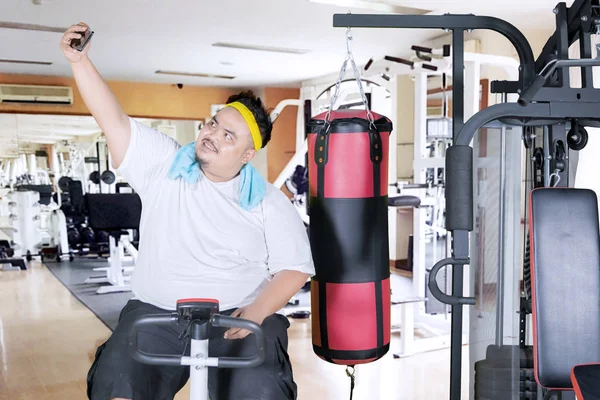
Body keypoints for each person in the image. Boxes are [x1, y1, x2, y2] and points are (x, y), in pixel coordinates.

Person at [60, 22, 314, 400]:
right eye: (213, 124)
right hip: (155, 316)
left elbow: (294, 268)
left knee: (261, 391)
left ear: (247, 156)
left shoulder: (269, 203)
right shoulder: (163, 165)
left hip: (236, 319)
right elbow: (112, 119)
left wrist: (258, 311)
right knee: (117, 387)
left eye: (229, 136)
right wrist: (79, 62)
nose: (213, 135)